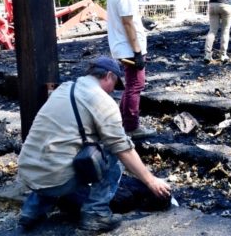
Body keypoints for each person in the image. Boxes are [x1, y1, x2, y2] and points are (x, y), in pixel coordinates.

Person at [17, 56, 171, 232]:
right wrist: (151, 181)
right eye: (114, 85)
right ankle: (96, 213)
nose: (113, 91)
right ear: (108, 76)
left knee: (55, 152)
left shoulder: (64, 89)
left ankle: (31, 212)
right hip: (56, 179)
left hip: (27, 172)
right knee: (112, 153)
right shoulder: (102, 101)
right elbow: (122, 148)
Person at [107, 0, 154, 139]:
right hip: (129, 48)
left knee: (131, 85)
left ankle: (121, 121)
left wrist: (141, 22)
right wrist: (137, 51)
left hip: (122, 46)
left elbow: (128, 19)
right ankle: (132, 126)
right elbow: (126, 23)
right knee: (136, 85)